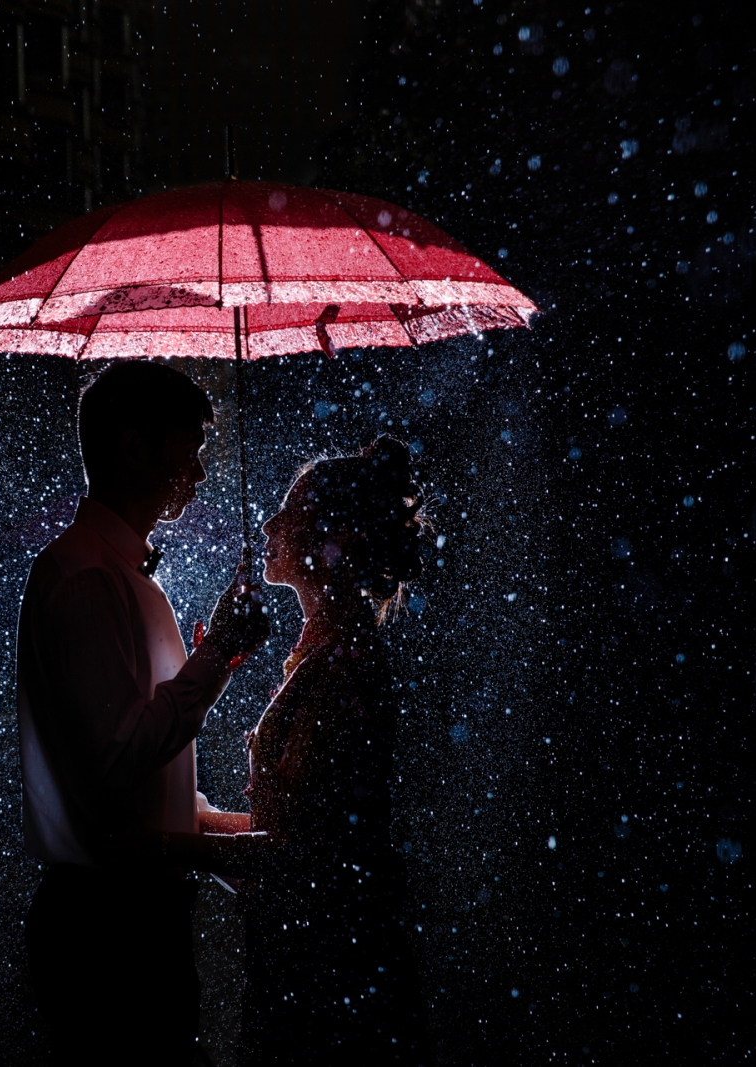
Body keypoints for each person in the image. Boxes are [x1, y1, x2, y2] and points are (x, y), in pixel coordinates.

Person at [17, 360, 271, 1066]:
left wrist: (239, 846)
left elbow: (145, 786)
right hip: (107, 928)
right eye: (186, 445)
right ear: (132, 447)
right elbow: (120, 755)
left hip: (133, 916)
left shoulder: (119, 574)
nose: (197, 467)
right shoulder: (87, 578)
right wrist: (216, 653)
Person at [235, 436, 431, 1064]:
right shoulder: (323, 650)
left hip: (328, 970)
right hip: (310, 956)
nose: (268, 523)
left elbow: (300, 851)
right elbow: (290, 828)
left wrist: (164, 845)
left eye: (289, 513)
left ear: (335, 539)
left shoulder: (344, 665)